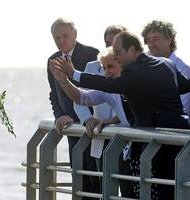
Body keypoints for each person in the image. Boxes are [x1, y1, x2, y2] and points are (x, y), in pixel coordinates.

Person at [49, 31, 190, 200]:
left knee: (162, 192)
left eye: (118, 53)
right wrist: (64, 80)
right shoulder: (167, 63)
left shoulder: (132, 73)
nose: (116, 57)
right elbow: (183, 87)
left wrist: (74, 73)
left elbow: (105, 83)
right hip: (182, 136)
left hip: (159, 144)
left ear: (131, 50)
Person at [74, 25, 134, 197]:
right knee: (102, 186)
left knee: (128, 187)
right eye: (108, 43)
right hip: (100, 134)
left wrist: (113, 120)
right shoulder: (93, 66)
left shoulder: (133, 71)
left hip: (125, 135)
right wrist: (87, 120)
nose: (111, 47)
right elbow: (80, 99)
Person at [47, 17, 100, 199]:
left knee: (96, 180)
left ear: (75, 34)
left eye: (65, 36)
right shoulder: (52, 60)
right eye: (57, 38)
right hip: (71, 127)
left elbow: (98, 89)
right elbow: (54, 94)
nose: (61, 40)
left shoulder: (92, 54)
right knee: (78, 178)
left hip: (93, 126)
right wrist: (59, 116)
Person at [141, 20, 190, 116]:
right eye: (148, 40)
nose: (151, 45)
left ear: (169, 39)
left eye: (156, 39)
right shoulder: (142, 68)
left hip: (173, 129)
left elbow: (183, 109)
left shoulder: (184, 70)